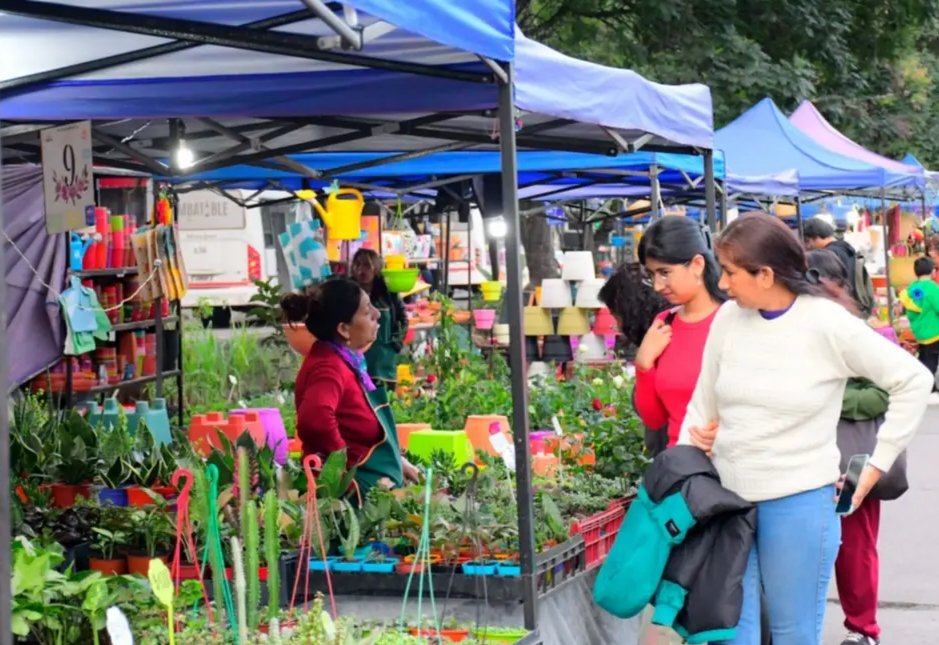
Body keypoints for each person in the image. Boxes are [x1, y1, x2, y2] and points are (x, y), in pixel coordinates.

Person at [681, 213, 931, 645]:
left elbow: (913, 379)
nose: (722, 285)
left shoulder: (826, 323)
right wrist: (695, 447)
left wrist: (874, 468)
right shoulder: (727, 321)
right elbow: (702, 404)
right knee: (728, 634)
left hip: (798, 505)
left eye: (732, 273)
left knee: (791, 634)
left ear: (765, 275)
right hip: (728, 504)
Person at [808, 249, 909, 645]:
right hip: (802, 456)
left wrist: (830, 399)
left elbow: (882, 395)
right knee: (801, 544)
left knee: (856, 545)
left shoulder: (861, 336)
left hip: (851, 461)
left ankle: (862, 628)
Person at [295, 277, 420, 494]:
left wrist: (398, 462)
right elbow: (315, 420)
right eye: (366, 310)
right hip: (348, 501)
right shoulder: (327, 368)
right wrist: (343, 472)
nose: (377, 314)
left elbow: (357, 429)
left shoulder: (345, 361)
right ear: (344, 329)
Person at [631, 216, 726, 448]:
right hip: (680, 468)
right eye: (652, 275)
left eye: (665, 272)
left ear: (697, 265)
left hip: (732, 468)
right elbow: (654, 419)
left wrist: (730, 433)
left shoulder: (733, 320)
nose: (657, 286)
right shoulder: (664, 324)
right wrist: (644, 365)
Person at [351, 249, 407, 389]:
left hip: (385, 360)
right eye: (357, 265)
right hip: (358, 359)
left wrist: (397, 342)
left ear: (376, 269)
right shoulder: (349, 292)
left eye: (366, 266)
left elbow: (402, 319)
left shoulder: (388, 294)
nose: (361, 270)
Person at [803, 217, 874, 313]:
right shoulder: (846, 249)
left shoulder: (828, 255)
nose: (807, 246)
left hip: (842, 307)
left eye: (808, 241)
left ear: (817, 237)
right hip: (853, 304)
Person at [898, 256, 939, 391]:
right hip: (934, 332)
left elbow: (911, 311)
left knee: (925, 357)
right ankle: (928, 385)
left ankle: (924, 383)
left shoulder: (912, 289)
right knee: (930, 361)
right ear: (932, 271)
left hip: (920, 332)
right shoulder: (932, 288)